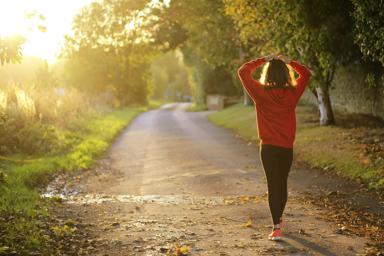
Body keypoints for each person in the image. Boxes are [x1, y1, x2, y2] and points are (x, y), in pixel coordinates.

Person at [237, 53, 311, 241]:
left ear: (267, 74)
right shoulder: (293, 94)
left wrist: (263, 59)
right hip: (286, 147)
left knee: (273, 185)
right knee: (282, 183)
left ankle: (276, 226)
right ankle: (278, 219)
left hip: (268, 148)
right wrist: (290, 62)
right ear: (286, 74)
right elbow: (306, 74)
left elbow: (243, 71)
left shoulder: (260, 93)